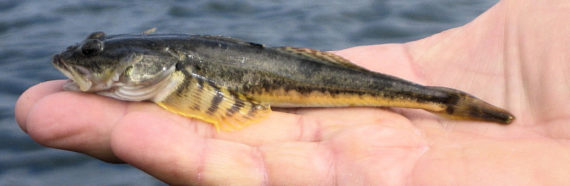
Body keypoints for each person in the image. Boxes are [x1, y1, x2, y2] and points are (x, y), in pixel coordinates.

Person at [14, 0, 570, 185]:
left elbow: (225, 110)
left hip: (324, 79)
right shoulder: (166, 65)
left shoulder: (171, 72)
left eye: (96, 57)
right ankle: (436, 98)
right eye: (90, 56)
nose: (81, 65)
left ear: (150, 65)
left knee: (413, 94)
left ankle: (438, 99)